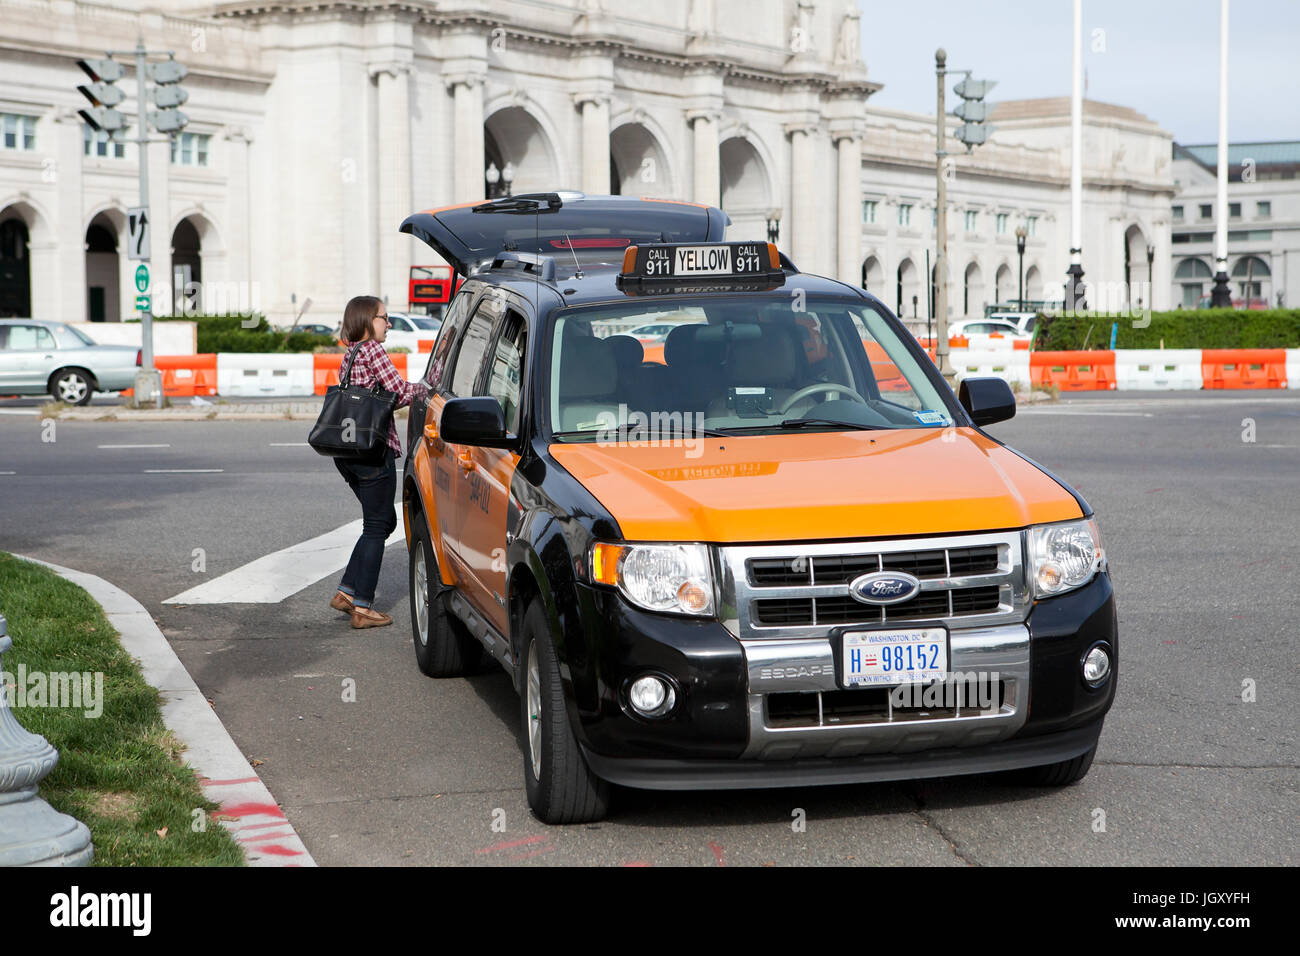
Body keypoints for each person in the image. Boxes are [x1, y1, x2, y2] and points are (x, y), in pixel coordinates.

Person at [329, 295, 429, 628]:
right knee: (376, 526)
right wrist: (430, 387)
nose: (388, 323)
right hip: (373, 452)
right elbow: (398, 392)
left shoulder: (351, 353)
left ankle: (346, 591)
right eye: (384, 318)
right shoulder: (373, 350)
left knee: (383, 521)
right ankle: (362, 606)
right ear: (368, 320)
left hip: (347, 454)